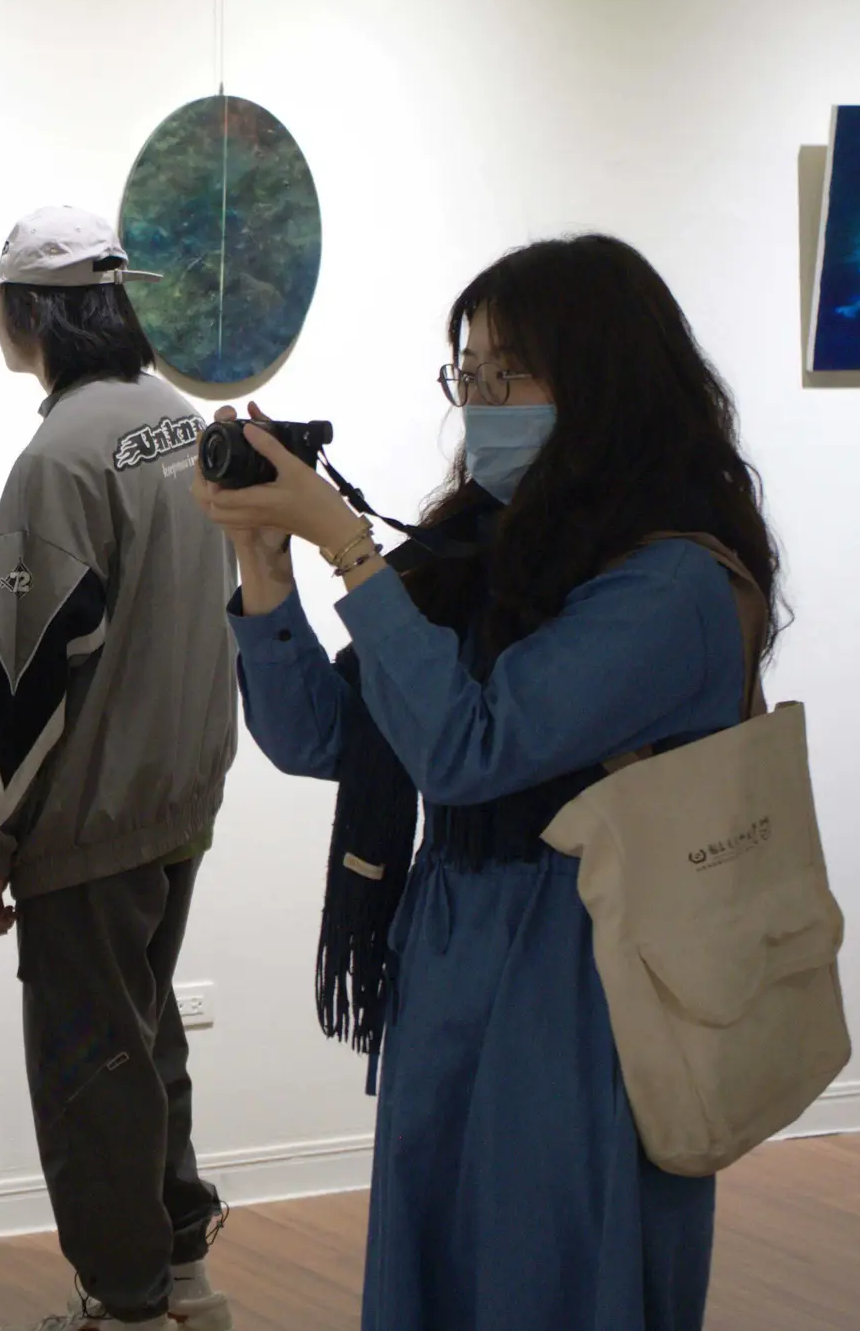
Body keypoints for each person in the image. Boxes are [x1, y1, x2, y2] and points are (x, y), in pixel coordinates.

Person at [195, 234, 778, 1331]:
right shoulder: (477, 552)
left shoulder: (673, 585)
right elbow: (320, 736)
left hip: (588, 958)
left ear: (604, 380)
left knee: (549, 1264)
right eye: (468, 371)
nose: (481, 401)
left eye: (511, 372)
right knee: (440, 1258)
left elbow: (472, 749)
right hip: (451, 935)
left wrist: (348, 550)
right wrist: (264, 563)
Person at [0, 209, 239, 1331]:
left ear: (29, 313)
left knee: (89, 1075)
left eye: (0, 299)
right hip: (179, 802)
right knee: (144, 1040)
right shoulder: (177, 423)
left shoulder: (60, 460)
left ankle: (125, 1304)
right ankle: (181, 1276)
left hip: (92, 820)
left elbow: (23, 683)